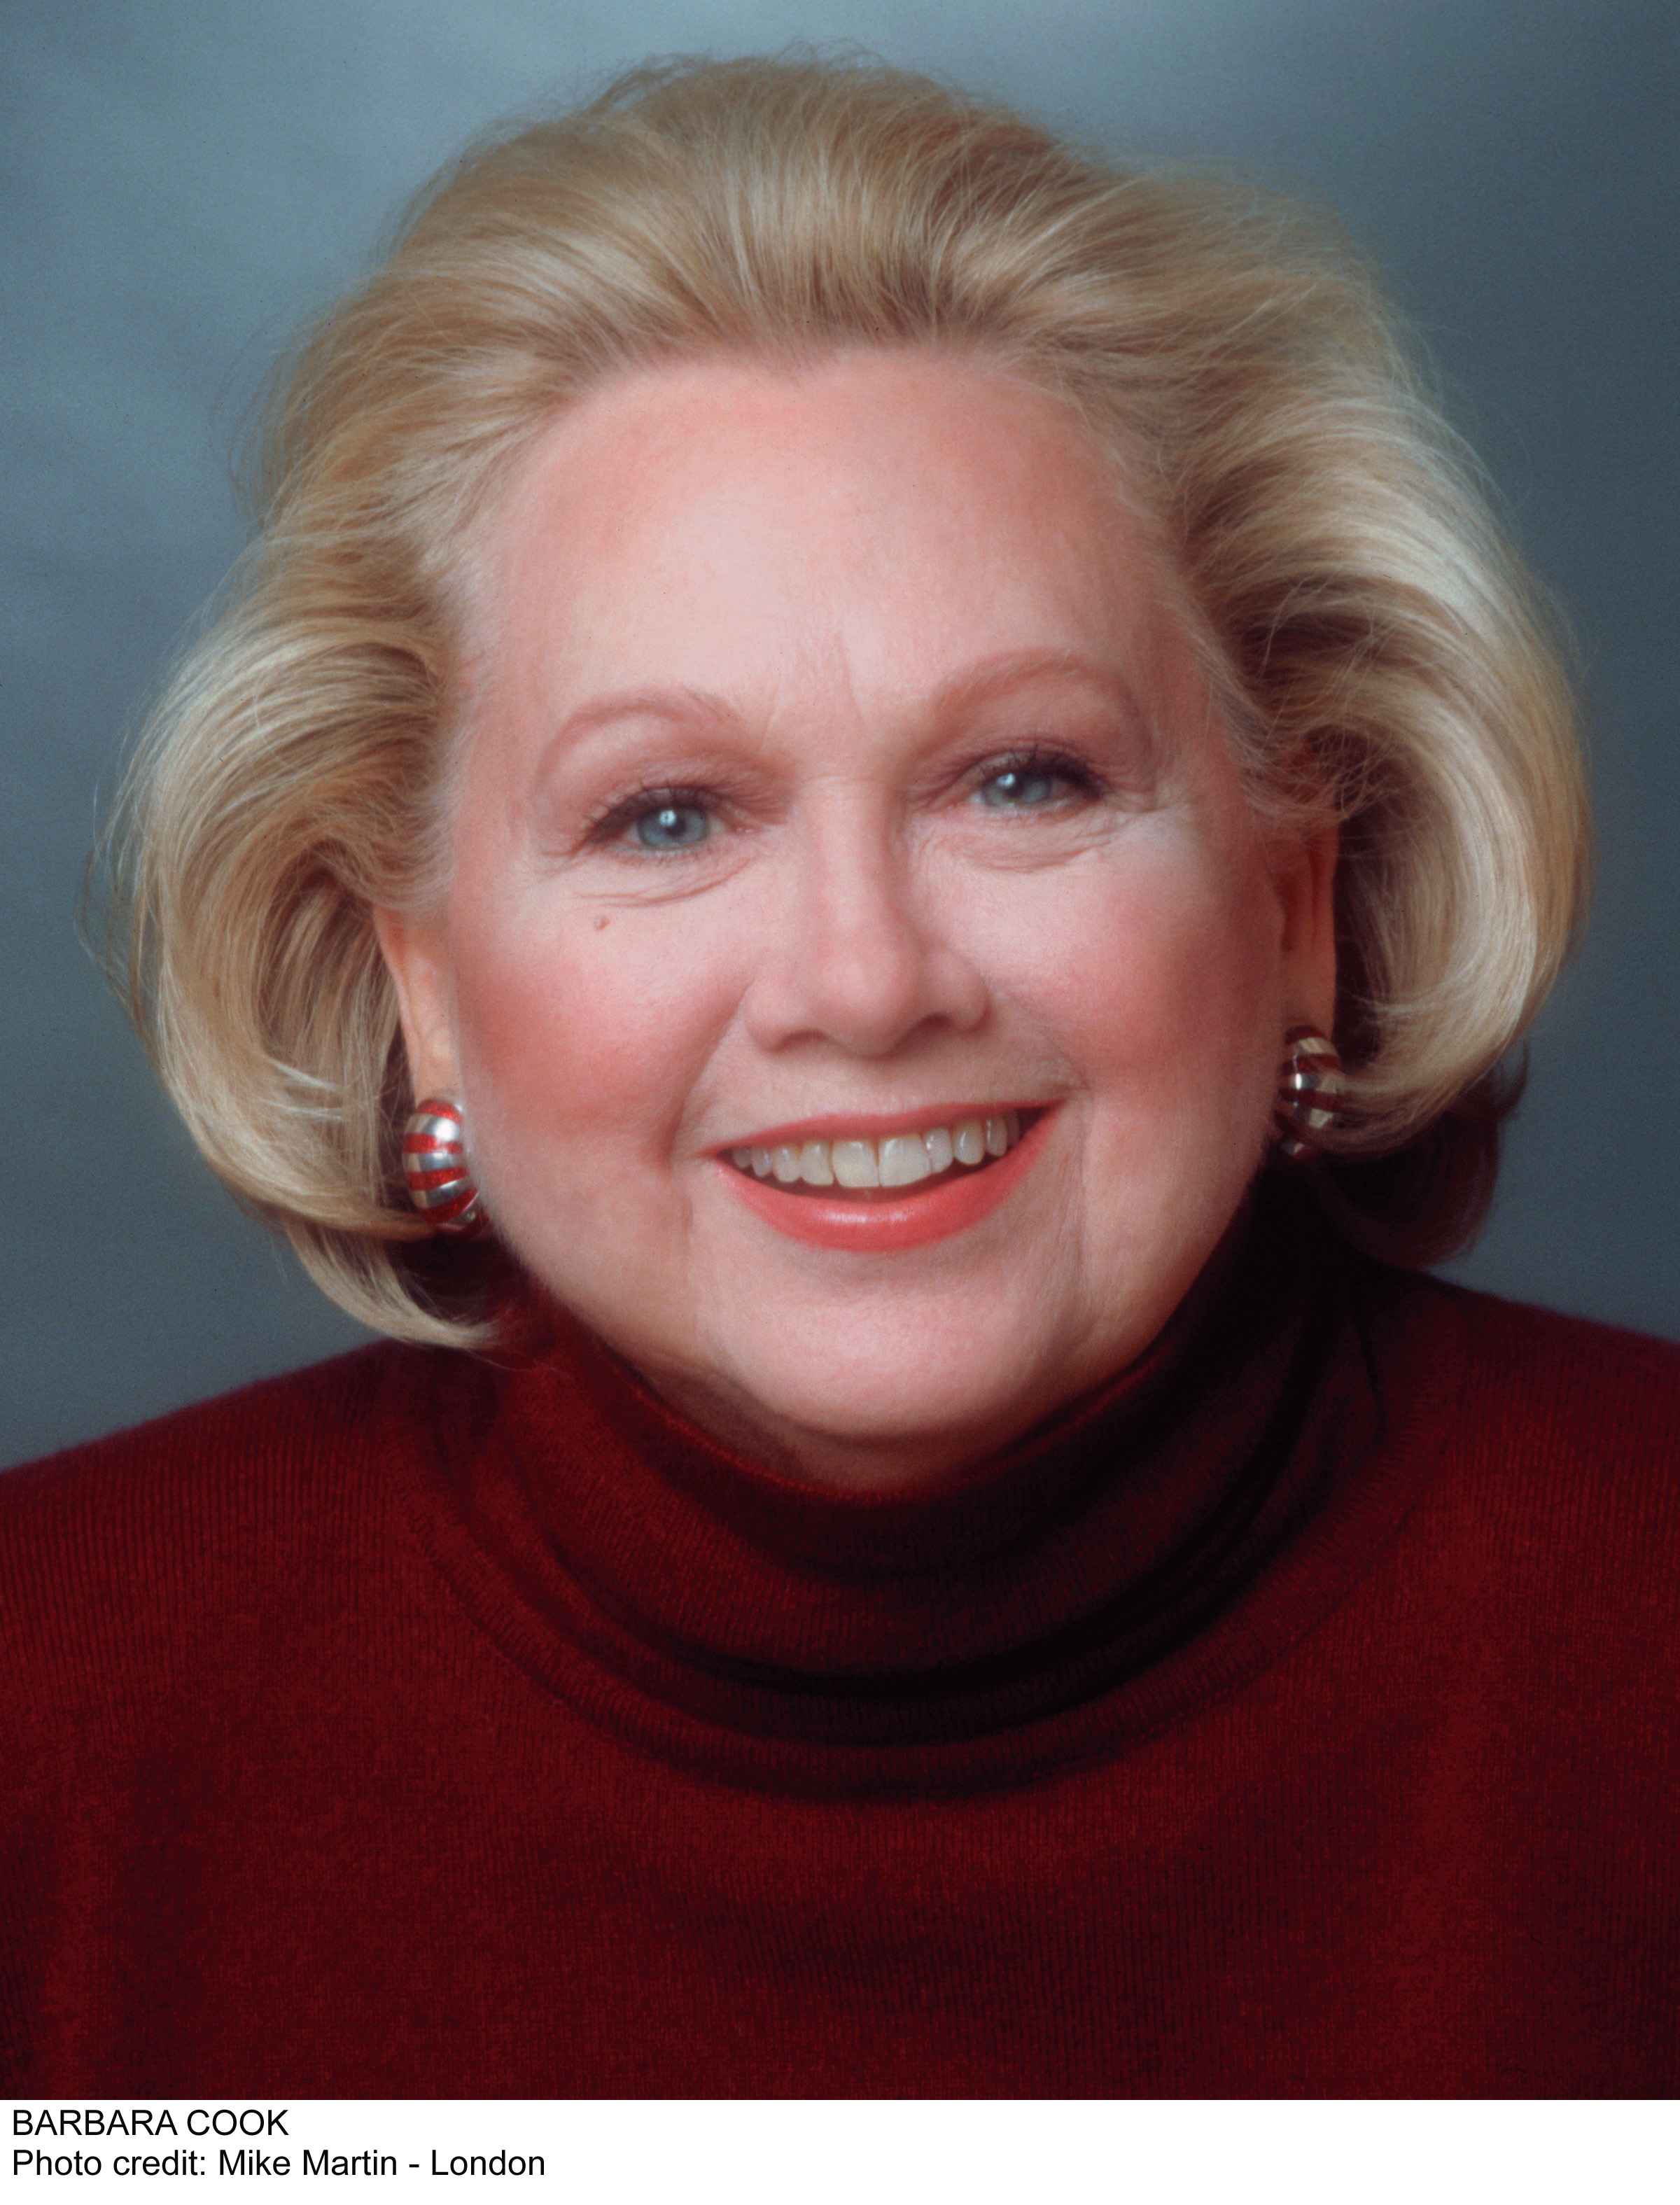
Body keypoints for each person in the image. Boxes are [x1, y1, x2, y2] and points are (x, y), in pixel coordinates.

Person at [3, 54, 1675, 2096]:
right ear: (420, 983)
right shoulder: (43, 1713)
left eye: (1025, 779)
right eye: (667, 815)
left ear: (1293, 903)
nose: (865, 983)